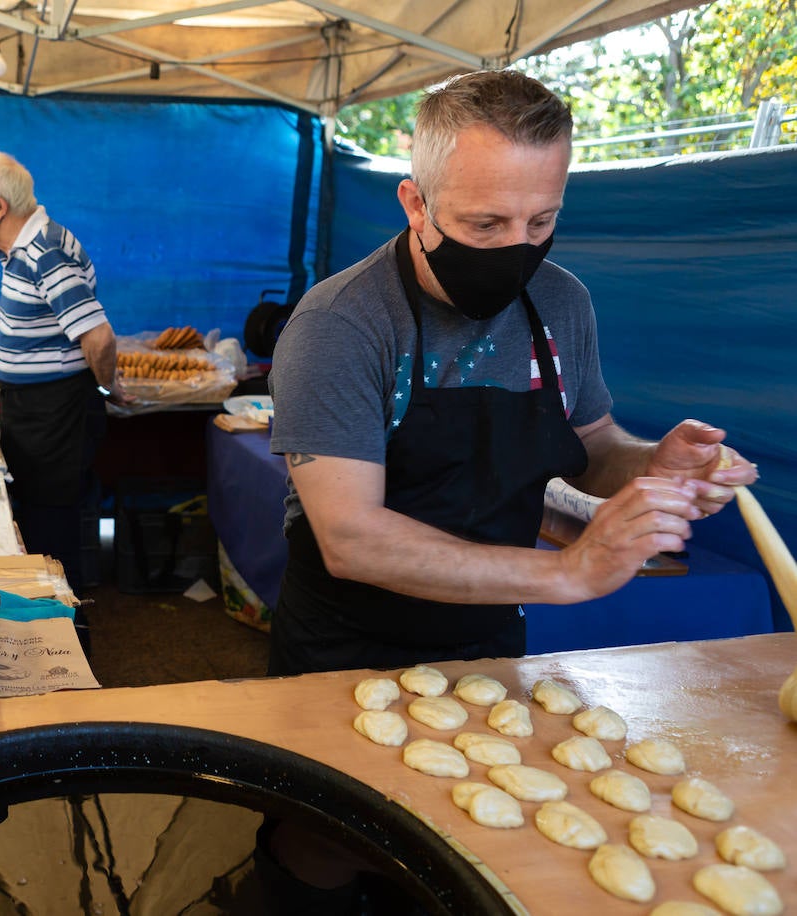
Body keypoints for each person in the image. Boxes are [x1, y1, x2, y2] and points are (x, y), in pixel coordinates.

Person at [261, 69, 757, 911]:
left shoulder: (561, 305)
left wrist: (655, 464)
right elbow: (352, 538)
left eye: (543, 220)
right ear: (415, 204)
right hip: (345, 643)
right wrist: (568, 574)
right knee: (332, 839)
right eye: (486, 222)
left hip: (489, 635)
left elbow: (591, 446)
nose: (517, 248)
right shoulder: (342, 325)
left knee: (469, 839)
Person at [0, 148, 128, 594]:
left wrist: (106, 388)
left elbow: (99, 336)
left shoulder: (42, 251)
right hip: (37, 409)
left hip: (54, 415)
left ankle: (66, 638)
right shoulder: (23, 245)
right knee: (39, 521)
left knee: (52, 531)